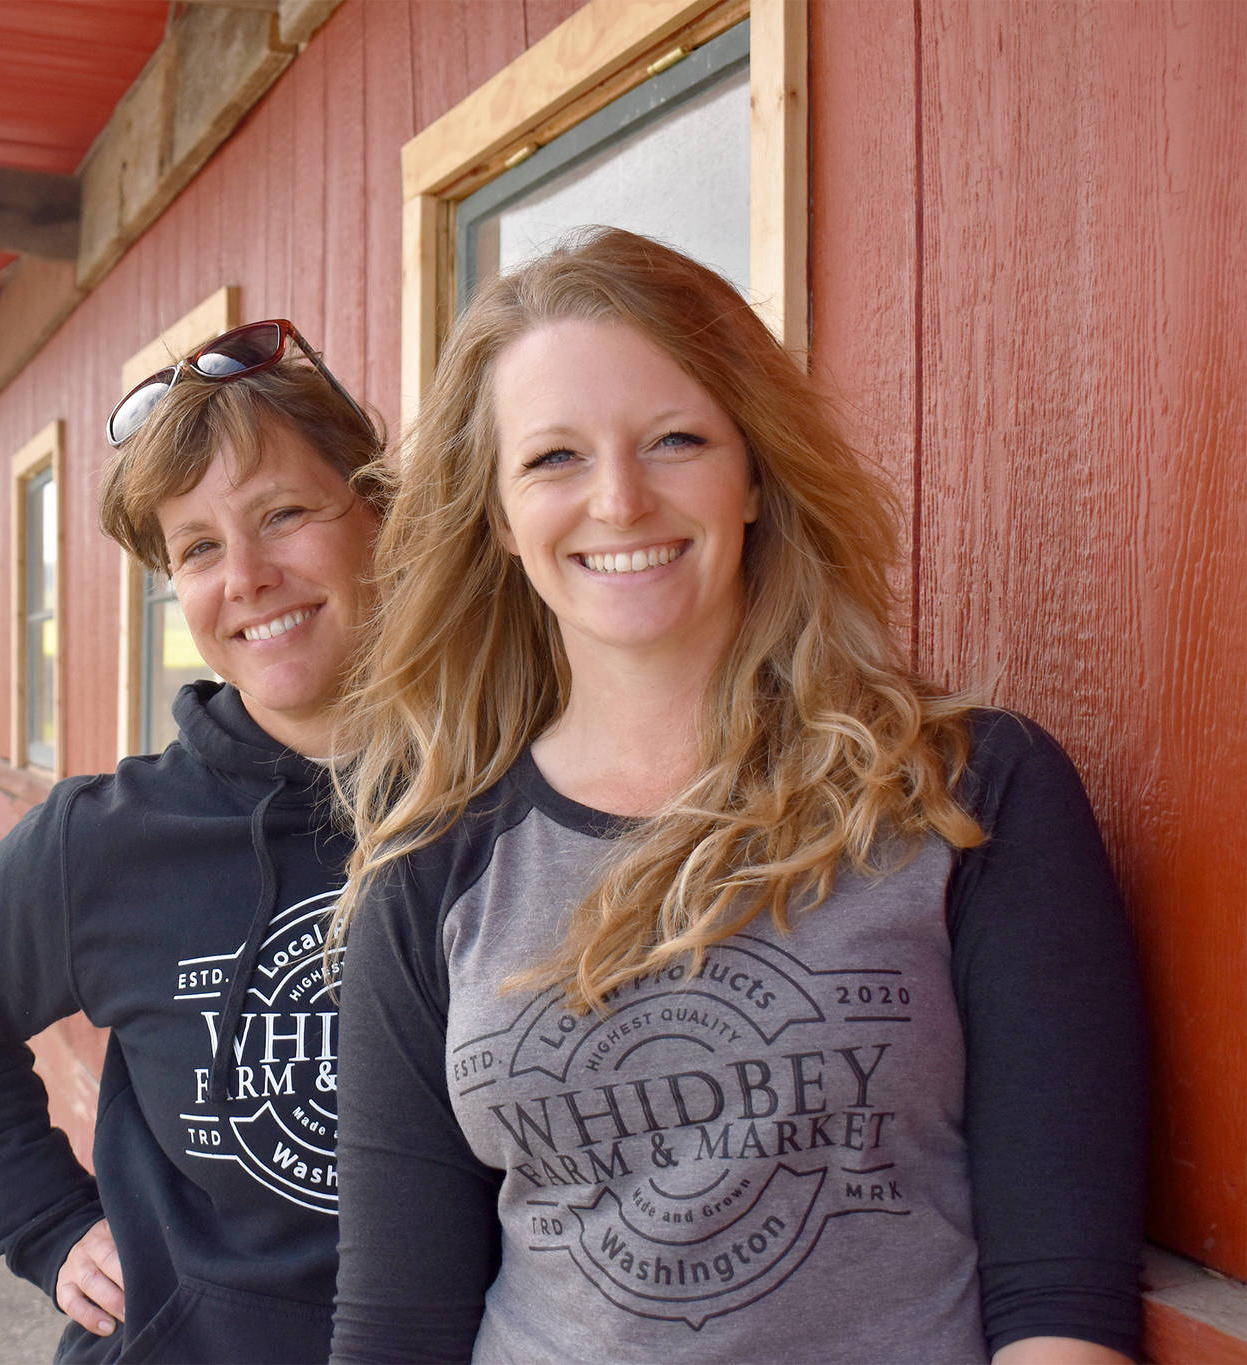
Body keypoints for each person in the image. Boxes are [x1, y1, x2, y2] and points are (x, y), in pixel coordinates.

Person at [328, 228, 1146, 1364]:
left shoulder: (961, 791)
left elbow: (1061, 1293)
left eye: (673, 439)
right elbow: (396, 1324)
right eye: (552, 458)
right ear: (498, 519)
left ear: (751, 473)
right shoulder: (432, 867)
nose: (617, 500)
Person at [0, 320, 387, 1363]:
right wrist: (44, 1225)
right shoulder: (105, 842)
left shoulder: (507, 797)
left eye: (282, 514)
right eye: (196, 547)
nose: (243, 576)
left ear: (379, 516)